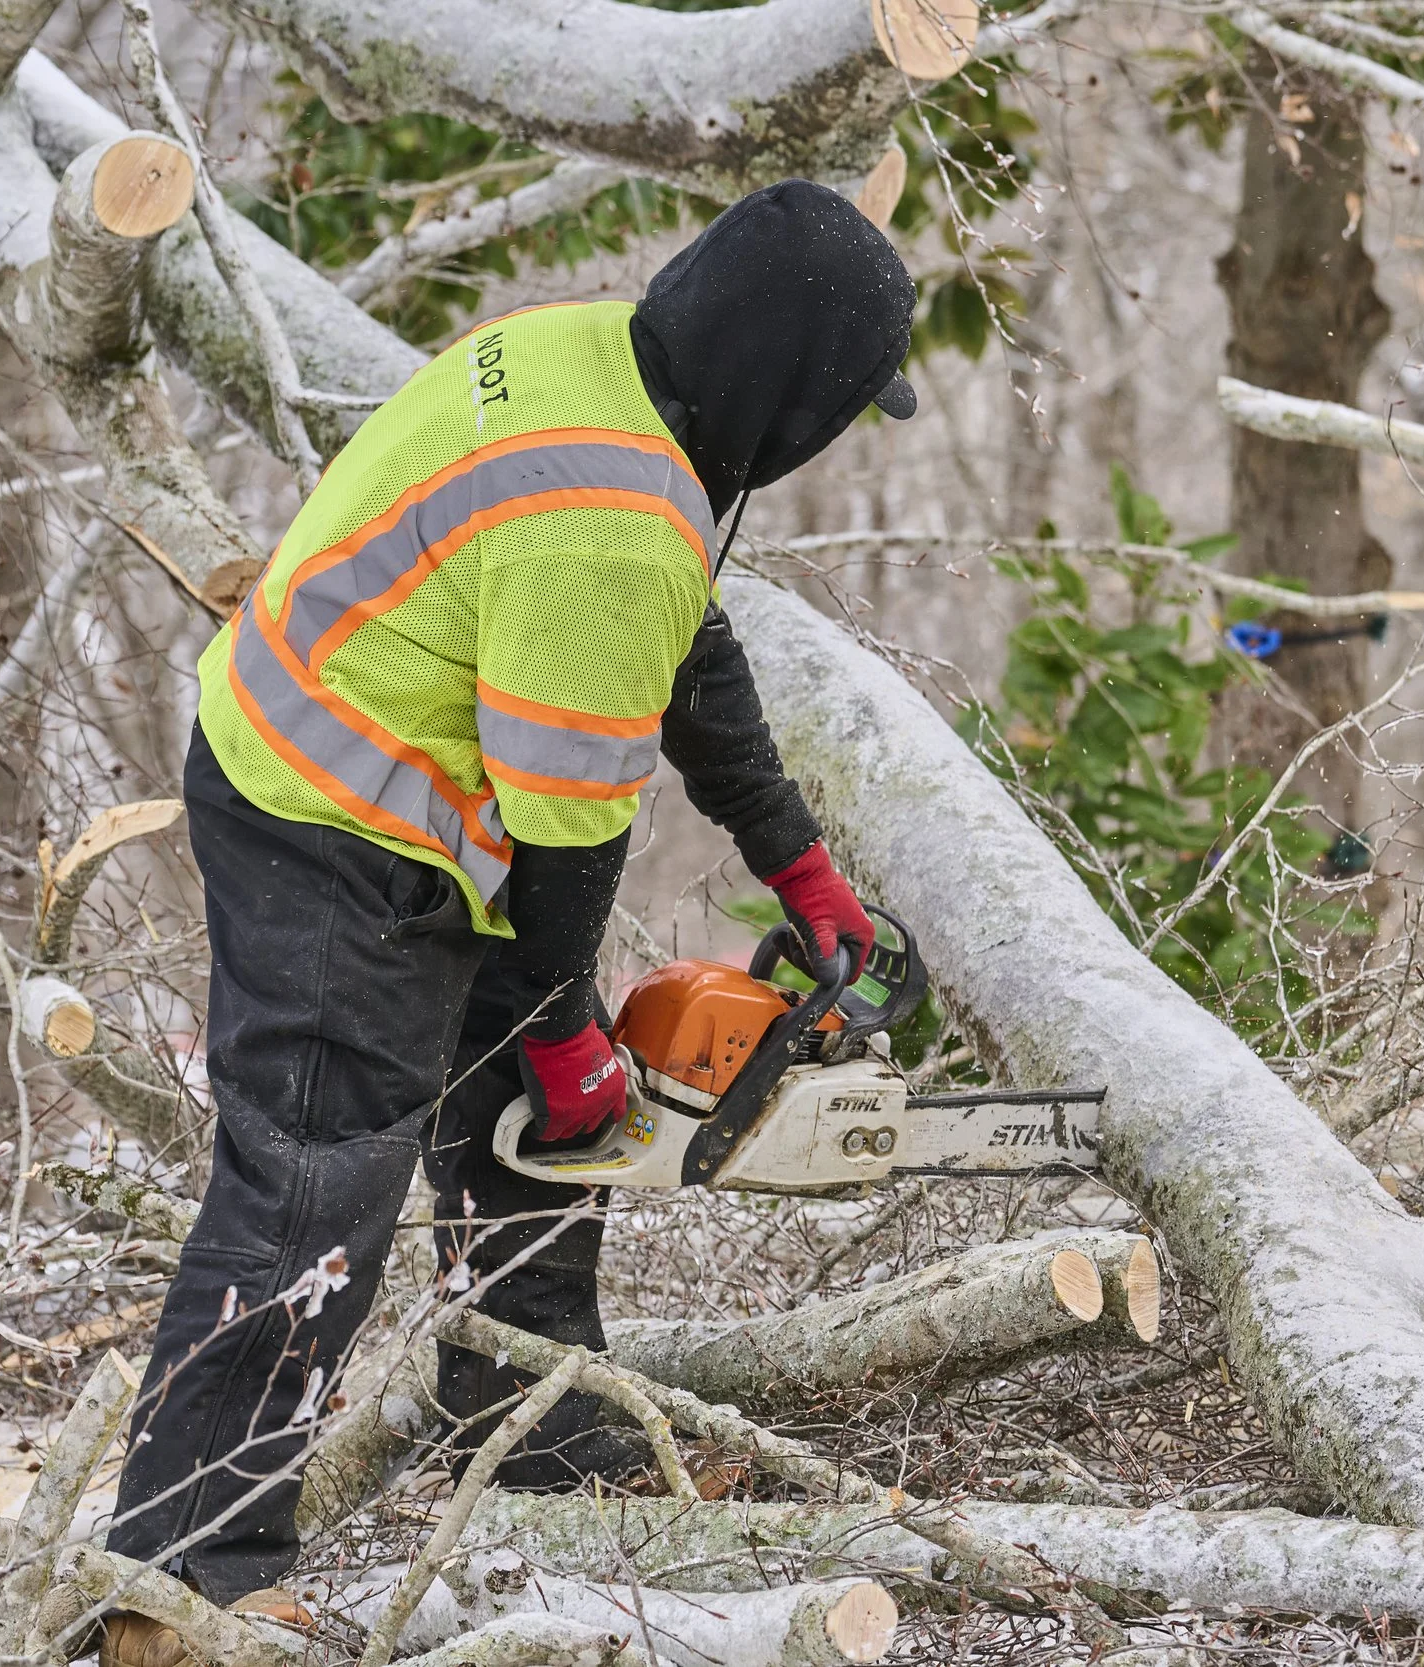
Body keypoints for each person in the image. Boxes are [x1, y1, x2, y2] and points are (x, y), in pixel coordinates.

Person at [99, 179, 914, 1667]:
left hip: (384, 764)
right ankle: (185, 1567)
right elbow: (567, 829)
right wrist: (563, 1024)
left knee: (520, 1108)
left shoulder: (598, 360)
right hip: (330, 807)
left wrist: (793, 858)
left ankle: (539, 1440)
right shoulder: (604, 524)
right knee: (313, 1176)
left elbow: (682, 642)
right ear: (789, 389)